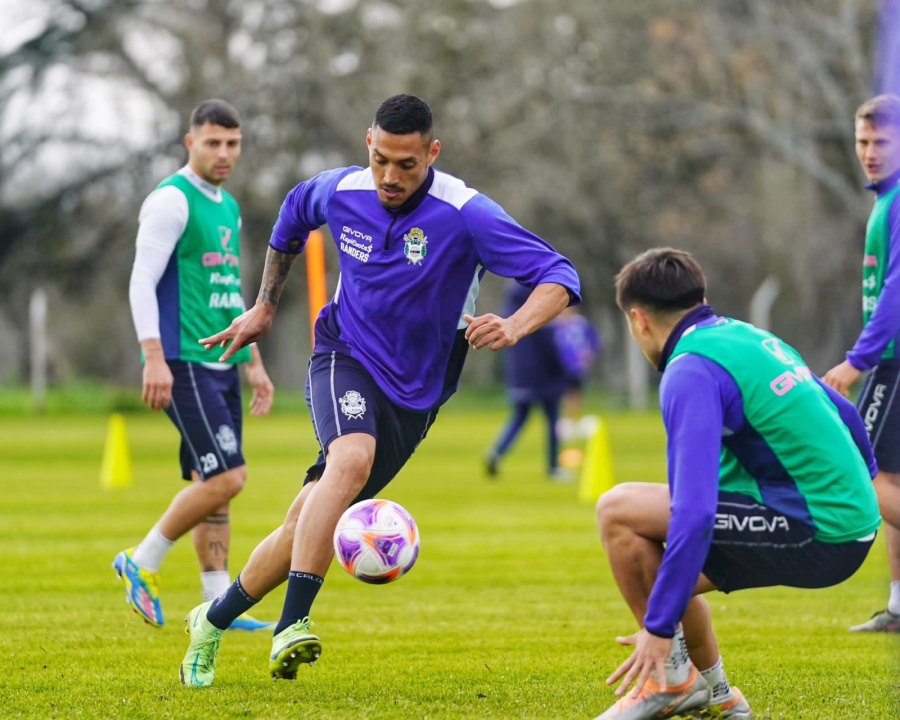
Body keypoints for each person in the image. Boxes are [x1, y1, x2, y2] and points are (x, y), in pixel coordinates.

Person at [178, 93, 581, 687]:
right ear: (368, 142)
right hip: (343, 354)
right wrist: (265, 305)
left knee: (302, 524)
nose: (390, 177)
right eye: (380, 160)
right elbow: (292, 216)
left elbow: (560, 275)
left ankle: (209, 623)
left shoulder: (466, 213)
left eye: (406, 165)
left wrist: (516, 325)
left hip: (415, 395)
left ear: (432, 153)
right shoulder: (341, 190)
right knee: (351, 458)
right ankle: (293, 625)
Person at [593, 247, 880, 720]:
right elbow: (843, 409)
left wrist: (659, 628)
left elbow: (696, 511)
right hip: (845, 521)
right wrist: (859, 488)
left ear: (639, 321)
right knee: (659, 563)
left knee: (617, 510)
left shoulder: (689, 369)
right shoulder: (746, 336)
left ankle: (671, 679)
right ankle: (719, 695)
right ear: (701, 297)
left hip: (820, 528)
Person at [114, 99, 276, 633]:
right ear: (191, 142)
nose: (224, 153)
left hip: (221, 362)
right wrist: (153, 356)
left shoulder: (226, 206)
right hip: (182, 359)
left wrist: (252, 361)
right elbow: (140, 280)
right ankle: (141, 560)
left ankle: (215, 606)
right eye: (213, 143)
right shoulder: (171, 201)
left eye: (233, 143)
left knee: (211, 481)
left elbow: (228, 292)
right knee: (229, 477)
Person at [823, 93, 900, 634]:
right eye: (862, 141)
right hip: (889, 362)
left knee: (862, 470)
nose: (869, 152)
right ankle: (899, 605)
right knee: (891, 476)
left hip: (893, 364)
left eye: (881, 142)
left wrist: (857, 361)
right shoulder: (885, 199)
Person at [485, 281, 573, 481]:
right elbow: (551, 351)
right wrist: (566, 374)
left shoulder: (508, 315)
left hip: (519, 378)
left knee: (518, 419)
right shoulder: (539, 316)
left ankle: (497, 452)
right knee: (552, 422)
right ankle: (553, 468)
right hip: (545, 379)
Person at [554, 303, 602, 442]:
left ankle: (574, 420)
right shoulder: (556, 325)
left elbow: (593, 341)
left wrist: (590, 355)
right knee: (562, 393)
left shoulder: (581, 324)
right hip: (561, 366)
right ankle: (564, 422)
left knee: (576, 394)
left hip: (577, 366)